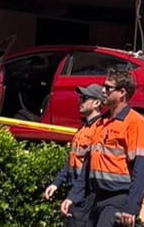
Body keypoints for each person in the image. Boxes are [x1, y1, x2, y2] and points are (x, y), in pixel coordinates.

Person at [61, 70, 144, 227]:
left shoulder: (136, 123)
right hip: (95, 196)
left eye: (108, 87)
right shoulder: (101, 123)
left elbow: (141, 169)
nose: (103, 90)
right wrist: (73, 196)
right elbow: (87, 167)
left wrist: (132, 207)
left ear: (122, 93)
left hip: (117, 198)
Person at [45, 84, 104, 227]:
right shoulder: (84, 128)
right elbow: (71, 160)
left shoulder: (99, 130)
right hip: (76, 192)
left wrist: (75, 196)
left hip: (87, 196)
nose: (80, 102)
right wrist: (56, 183)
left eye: (85, 98)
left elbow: (89, 167)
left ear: (97, 103)